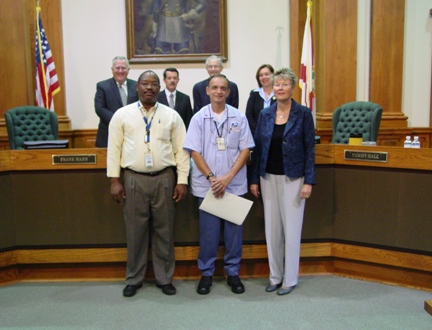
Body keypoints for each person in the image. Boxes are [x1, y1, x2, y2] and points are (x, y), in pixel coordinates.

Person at [107, 70, 190, 298]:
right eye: (145, 83)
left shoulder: (172, 116)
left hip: (165, 178)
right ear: (137, 87)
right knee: (135, 232)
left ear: (159, 88)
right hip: (133, 178)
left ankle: (165, 278)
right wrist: (115, 180)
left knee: (164, 230)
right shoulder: (122, 115)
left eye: (154, 84)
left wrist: (182, 181)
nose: (149, 87)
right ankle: (134, 278)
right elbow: (113, 149)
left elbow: (182, 151)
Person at [184, 74, 254, 295]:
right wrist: (213, 178)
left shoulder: (239, 117)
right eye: (214, 87)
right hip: (208, 186)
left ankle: (233, 273)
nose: (219, 91)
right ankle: (206, 274)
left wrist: (227, 178)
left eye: (223, 88)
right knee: (208, 233)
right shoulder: (198, 118)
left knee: (234, 233)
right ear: (207, 90)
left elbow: (245, 150)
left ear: (228, 92)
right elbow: (194, 151)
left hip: (232, 185)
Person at [250, 68, 315, 296]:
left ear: (293, 87)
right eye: (276, 84)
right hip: (268, 178)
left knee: (292, 230)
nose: (279, 88)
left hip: (294, 179)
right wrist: (254, 178)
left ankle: (290, 279)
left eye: (284, 84)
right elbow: (257, 148)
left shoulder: (303, 113)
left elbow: (309, 149)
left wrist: (309, 181)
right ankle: (275, 277)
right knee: (273, 231)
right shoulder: (266, 114)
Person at [94, 56, 138, 148]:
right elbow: (99, 108)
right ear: (112, 69)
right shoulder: (102, 86)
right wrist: (118, 121)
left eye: (123, 68)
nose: (120, 71)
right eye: (117, 68)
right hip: (108, 133)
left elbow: (140, 106)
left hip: (132, 135)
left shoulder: (136, 86)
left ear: (128, 69)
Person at [245, 64, 275, 137]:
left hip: (275, 134)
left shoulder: (278, 93)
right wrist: (257, 132)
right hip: (256, 135)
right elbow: (249, 115)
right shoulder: (254, 94)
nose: (263, 77)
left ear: (273, 75)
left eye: (266, 74)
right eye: (261, 75)